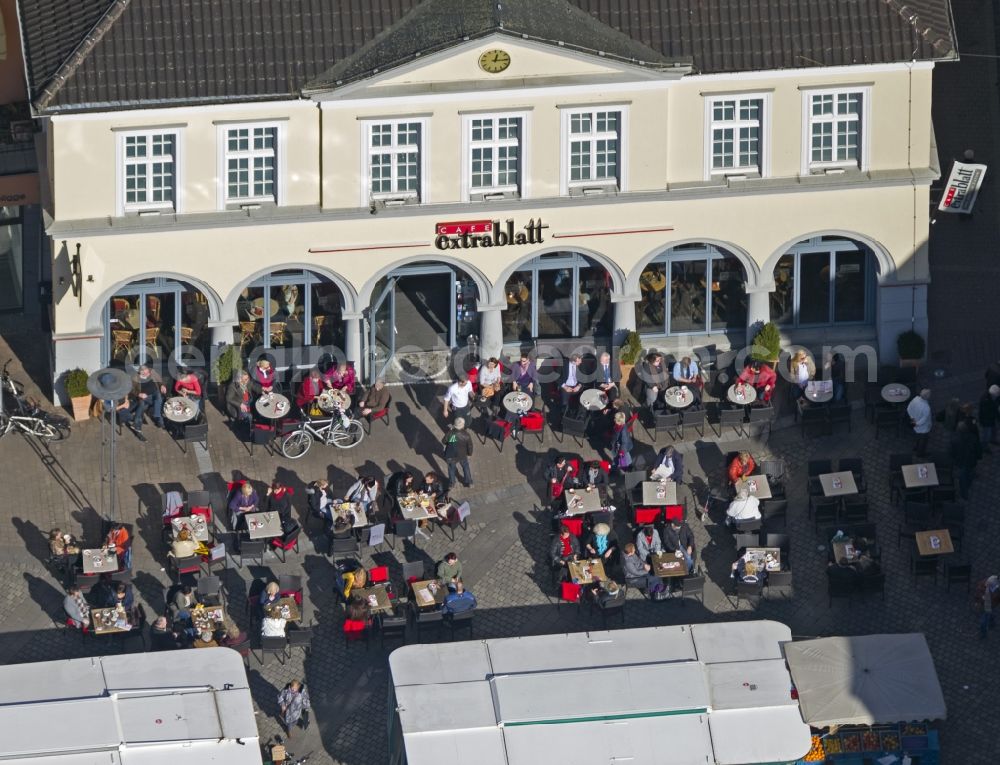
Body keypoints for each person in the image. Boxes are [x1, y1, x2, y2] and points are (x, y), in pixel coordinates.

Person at [128, 364, 167, 439]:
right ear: (140, 372)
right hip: (145, 396)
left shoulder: (152, 372)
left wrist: (162, 385)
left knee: (158, 397)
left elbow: (159, 380)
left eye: (147, 372)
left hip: (155, 393)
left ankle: (137, 424)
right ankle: (159, 421)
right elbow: (131, 390)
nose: (146, 374)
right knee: (142, 405)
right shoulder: (135, 378)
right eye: (144, 373)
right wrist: (139, 394)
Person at [951, 420, 982, 500]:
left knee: (963, 479)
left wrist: (954, 461)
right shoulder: (973, 437)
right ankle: (966, 488)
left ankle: (964, 494)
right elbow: (978, 450)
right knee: (969, 475)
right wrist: (978, 458)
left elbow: (952, 453)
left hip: (962, 462)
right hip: (971, 461)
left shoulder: (955, 440)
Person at [442, 417, 474, 489]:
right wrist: (469, 454)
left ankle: (452, 483)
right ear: (463, 425)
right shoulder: (466, 435)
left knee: (451, 469)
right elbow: (470, 446)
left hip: (451, 454)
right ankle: (469, 482)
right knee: (465, 467)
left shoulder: (450, 433)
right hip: (462, 454)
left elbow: (443, 441)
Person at [907, 389, 933, 457]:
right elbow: (924, 419)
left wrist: (913, 420)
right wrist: (917, 424)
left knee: (917, 436)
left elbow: (909, 408)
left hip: (915, 423)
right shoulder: (926, 407)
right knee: (923, 440)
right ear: (927, 397)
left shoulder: (915, 399)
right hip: (923, 427)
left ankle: (916, 447)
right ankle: (920, 454)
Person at [978, 385, 999, 449]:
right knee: (986, 434)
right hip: (986, 421)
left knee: (994, 430)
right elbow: (987, 413)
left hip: (991, 419)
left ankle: (993, 440)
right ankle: (985, 446)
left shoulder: (991, 397)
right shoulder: (985, 400)